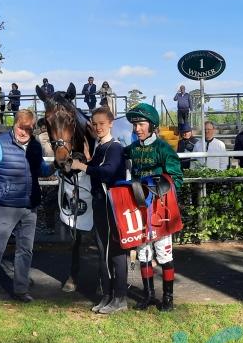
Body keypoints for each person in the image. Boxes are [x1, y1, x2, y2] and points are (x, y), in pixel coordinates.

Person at [0, 109, 55, 312]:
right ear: (14, 124)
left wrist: (56, 166)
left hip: (30, 206)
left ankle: (21, 290)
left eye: (29, 129)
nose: (24, 132)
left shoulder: (35, 145)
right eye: (21, 127)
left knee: (25, 250)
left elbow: (41, 170)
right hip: (6, 206)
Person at [124, 103, 183, 311]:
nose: (137, 128)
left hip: (160, 211)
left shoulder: (164, 149)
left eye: (141, 124)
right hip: (140, 209)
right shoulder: (132, 148)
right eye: (135, 125)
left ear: (152, 125)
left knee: (164, 255)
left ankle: (168, 298)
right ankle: (148, 295)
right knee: (144, 254)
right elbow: (116, 157)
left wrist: (161, 185)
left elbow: (177, 178)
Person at [70, 106, 128, 314]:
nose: (98, 127)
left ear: (111, 123)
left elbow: (107, 172)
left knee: (116, 252)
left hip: (111, 206)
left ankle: (120, 297)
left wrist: (83, 166)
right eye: (94, 124)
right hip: (100, 205)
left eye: (102, 123)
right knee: (103, 251)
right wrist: (86, 159)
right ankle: (107, 294)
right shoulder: (100, 147)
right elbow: (95, 168)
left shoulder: (115, 147)